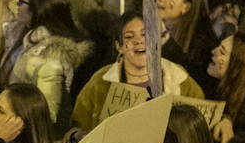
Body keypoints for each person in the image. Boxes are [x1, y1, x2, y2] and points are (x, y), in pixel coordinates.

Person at [71, 12, 206, 131]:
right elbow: (78, 124)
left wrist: (224, 122)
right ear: (119, 47)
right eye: (129, 37)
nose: (138, 41)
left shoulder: (178, 77)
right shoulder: (100, 81)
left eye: (144, 34)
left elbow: (203, 116)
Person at [2, 0, 92, 123]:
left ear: (36, 10)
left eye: (22, 1)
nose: (18, 6)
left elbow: (48, 113)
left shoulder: (50, 55)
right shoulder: (31, 41)